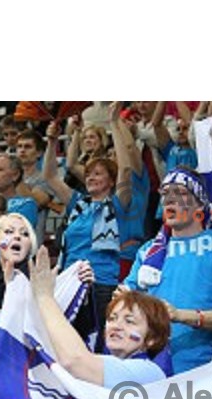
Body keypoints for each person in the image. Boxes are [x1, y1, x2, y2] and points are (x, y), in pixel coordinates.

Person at [123, 167, 212, 374]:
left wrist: (181, 315)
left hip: (203, 372)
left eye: (180, 193)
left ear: (200, 204)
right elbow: (128, 301)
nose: (170, 199)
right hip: (150, 371)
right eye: (166, 193)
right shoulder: (148, 251)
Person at [42, 118, 134, 341]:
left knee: (98, 347)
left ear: (111, 181)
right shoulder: (78, 204)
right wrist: (52, 141)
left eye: (98, 174)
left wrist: (113, 124)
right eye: (89, 174)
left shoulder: (117, 204)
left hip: (100, 285)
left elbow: (126, 168)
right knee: (65, 345)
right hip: (68, 283)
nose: (91, 178)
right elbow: (50, 176)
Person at [30, 246, 170, 386]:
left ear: (152, 338)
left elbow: (75, 361)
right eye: (112, 318)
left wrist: (44, 296)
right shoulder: (106, 361)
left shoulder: (149, 372)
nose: (116, 326)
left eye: (129, 321)